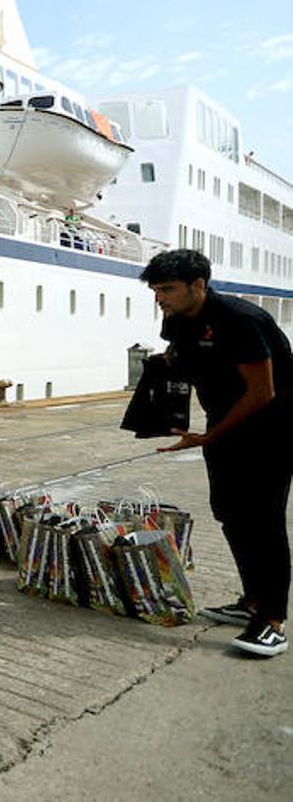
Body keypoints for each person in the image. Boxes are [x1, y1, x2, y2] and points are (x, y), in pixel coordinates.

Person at [145, 248, 290, 657]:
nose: (160, 298)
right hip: (224, 424)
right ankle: (252, 601)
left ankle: (273, 621)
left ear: (198, 285)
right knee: (230, 513)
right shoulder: (176, 319)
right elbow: (179, 357)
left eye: (168, 289)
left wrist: (209, 438)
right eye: (156, 290)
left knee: (264, 522)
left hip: (273, 427)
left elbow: (263, 392)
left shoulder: (241, 320)